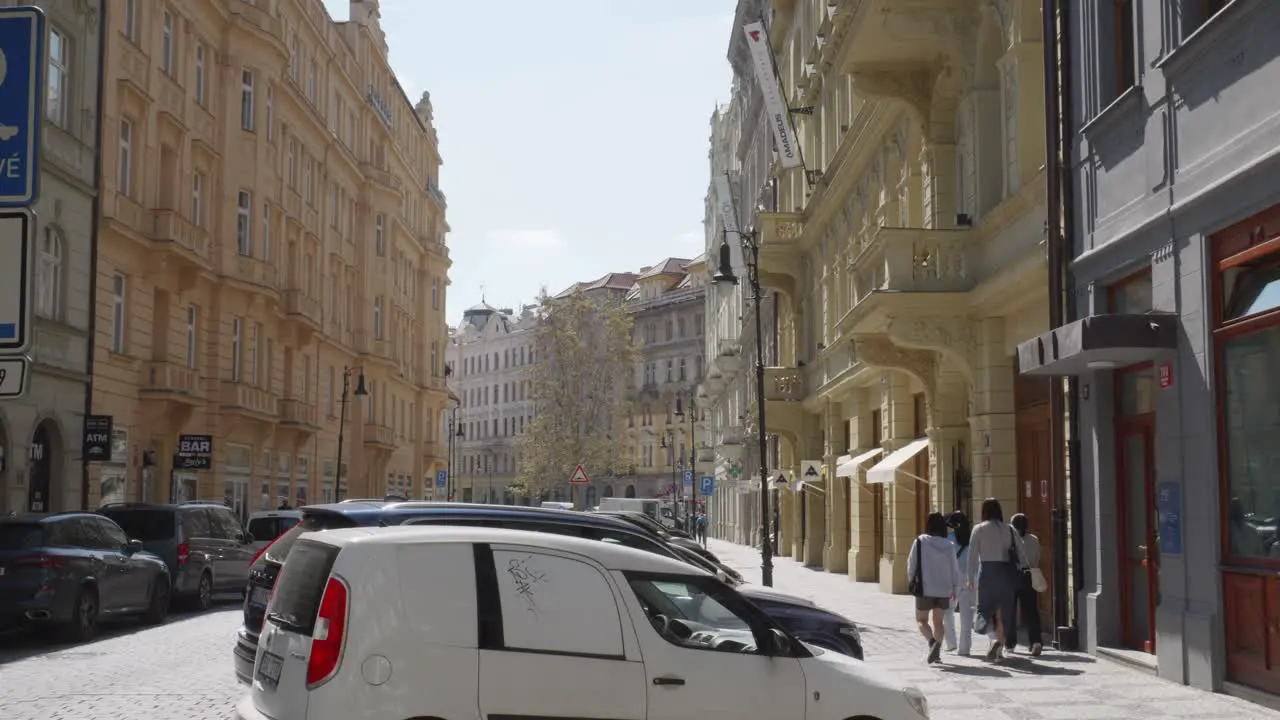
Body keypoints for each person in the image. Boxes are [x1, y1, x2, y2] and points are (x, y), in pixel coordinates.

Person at [967, 497, 1029, 661]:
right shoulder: (1009, 529)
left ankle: (995, 641)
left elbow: (972, 556)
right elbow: (1021, 553)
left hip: (987, 573)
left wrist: (970, 578)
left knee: (987, 610)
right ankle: (999, 646)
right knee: (1004, 612)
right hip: (1007, 573)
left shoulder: (979, 529)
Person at [907, 512, 965, 664]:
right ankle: (937, 651)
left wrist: (912, 580)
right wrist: (954, 589)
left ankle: (932, 643)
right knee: (938, 622)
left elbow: (911, 564)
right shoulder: (949, 545)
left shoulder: (920, 541)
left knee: (921, 620)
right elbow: (954, 569)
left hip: (925, 589)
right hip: (944, 590)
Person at [1008, 513, 1044, 655]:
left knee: (1010, 610)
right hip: (1029, 575)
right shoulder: (1034, 540)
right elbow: (1037, 558)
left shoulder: (1010, 541)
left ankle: (1010, 643)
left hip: (1013, 576)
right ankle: (1035, 641)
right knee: (1031, 611)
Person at [942, 510, 975, 655]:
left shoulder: (949, 539)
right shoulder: (972, 538)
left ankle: (951, 642)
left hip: (952, 581)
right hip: (969, 580)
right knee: (967, 615)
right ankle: (965, 647)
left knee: (948, 612)